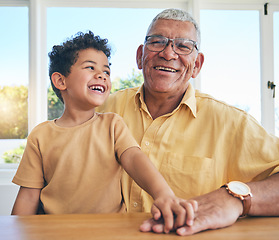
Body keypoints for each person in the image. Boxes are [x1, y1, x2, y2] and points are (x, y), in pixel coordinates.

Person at [97, 8, 279, 236]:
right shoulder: (101, 110)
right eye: (157, 42)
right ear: (140, 56)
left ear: (197, 65)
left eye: (183, 46)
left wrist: (237, 198)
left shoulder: (231, 123)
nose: (168, 53)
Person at [11, 31, 197, 233]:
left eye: (106, 72)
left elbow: (134, 159)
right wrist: (13, 231)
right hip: (56, 231)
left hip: (110, 231)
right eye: (90, 67)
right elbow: (29, 196)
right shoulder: (40, 135)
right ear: (60, 81)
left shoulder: (112, 124)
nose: (101, 75)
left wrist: (163, 194)